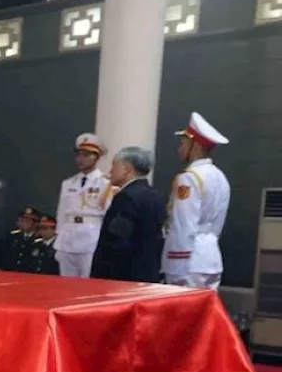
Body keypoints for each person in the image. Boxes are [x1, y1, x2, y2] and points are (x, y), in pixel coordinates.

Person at [164, 112, 231, 289]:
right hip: (210, 257)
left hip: (188, 261)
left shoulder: (189, 178)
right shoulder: (220, 177)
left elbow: (184, 224)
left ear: (195, 145)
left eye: (183, 143)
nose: (180, 148)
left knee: (182, 315)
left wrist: (177, 265)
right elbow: (217, 224)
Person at [91, 147, 165, 283]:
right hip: (147, 272)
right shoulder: (155, 195)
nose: (110, 171)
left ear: (126, 169)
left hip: (124, 277)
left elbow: (116, 242)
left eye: (114, 166)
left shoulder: (126, 197)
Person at [55, 134, 111, 278]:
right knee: (66, 284)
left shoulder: (105, 183)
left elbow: (108, 213)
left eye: (86, 155)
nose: (81, 159)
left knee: (88, 282)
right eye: (78, 155)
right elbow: (61, 213)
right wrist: (59, 237)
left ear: (96, 157)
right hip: (68, 237)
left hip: (91, 237)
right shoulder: (68, 183)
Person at [4, 207, 41, 273]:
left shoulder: (39, 240)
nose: (24, 223)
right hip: (10, 274)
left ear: (35, 223)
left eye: (28, 221)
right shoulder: (12, 236)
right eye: (22, 220)